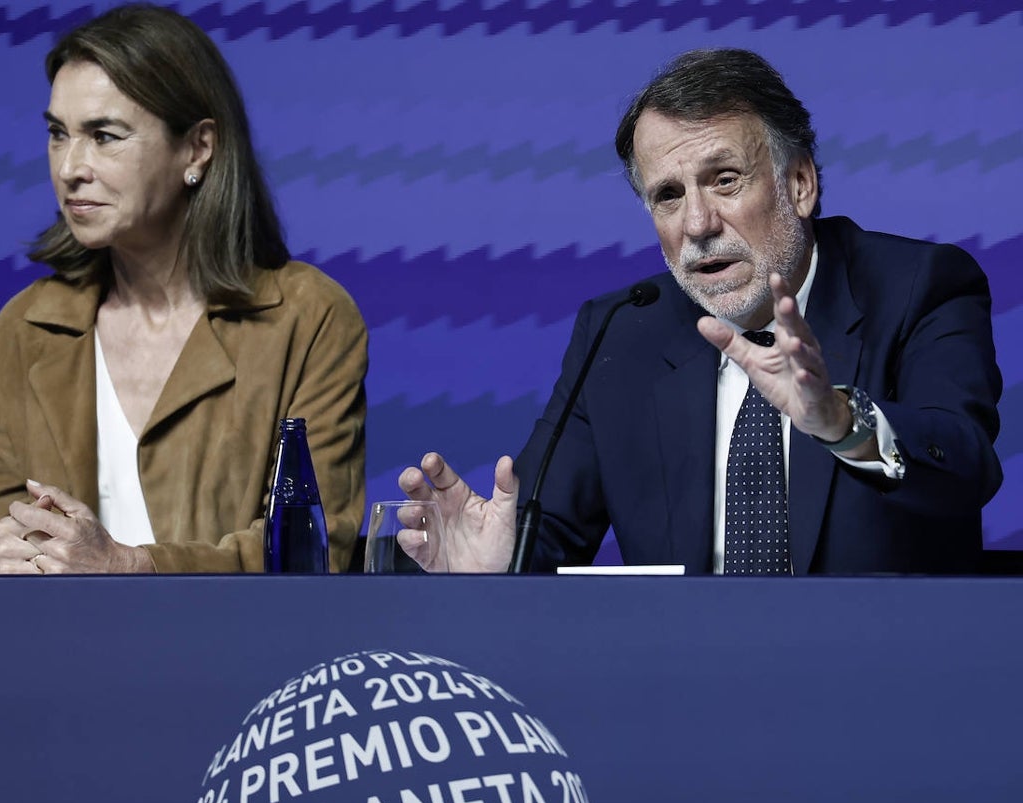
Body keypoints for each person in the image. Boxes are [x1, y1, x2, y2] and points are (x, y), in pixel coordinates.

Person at [400, 48, 1001, 575]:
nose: (697, 225)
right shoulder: (622, 331)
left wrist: (842, 421)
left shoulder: (917, 287)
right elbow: (546, 534)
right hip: (680, 683)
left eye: (725, 180)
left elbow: (965, 471)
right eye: (668, 195)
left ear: (799, 184)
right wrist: (497, 565)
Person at [0, 5, 367, 575]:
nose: (69, 167)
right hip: (56, 657)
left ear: (197, 149)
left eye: (103, 136)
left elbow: (316, 548)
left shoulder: (307, 318)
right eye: (57, 134)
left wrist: (129, 566)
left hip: (241, 659)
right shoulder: (23, 330)